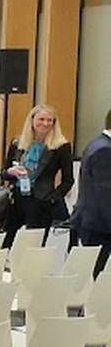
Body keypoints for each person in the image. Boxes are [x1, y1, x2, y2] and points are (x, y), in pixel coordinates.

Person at [0, 104, 72, 248]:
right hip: (16, 198)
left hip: (41, 201)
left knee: (34, 245)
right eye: (41, 119)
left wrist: (52, 198)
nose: (45, 123)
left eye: (50, 120)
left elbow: (68, 180)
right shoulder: (18, 143)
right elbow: (5, 173)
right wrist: (10, 172)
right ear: (32, 120)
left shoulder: (61, 146)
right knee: (3, 241)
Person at [69, 108, 111, 277]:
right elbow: (105, 195)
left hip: (96, 223)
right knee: (98, 276)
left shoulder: (97, 144)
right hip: (101, 226)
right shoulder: (105, 150)